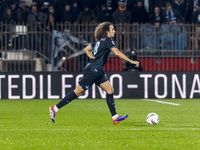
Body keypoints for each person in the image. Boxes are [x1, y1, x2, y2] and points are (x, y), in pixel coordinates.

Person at [49, 22, 139, 124]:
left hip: (96, 70)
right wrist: (131, 61)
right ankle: (55, 108)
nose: (114, 31)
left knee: (110, 90)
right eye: (112, 29)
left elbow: (87, 50)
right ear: (107, 32)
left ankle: (115, 117)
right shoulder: (108, 41)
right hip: (93, 70)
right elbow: (117, 53)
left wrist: (94, 60)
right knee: (78, 92)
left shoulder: (100, 42)